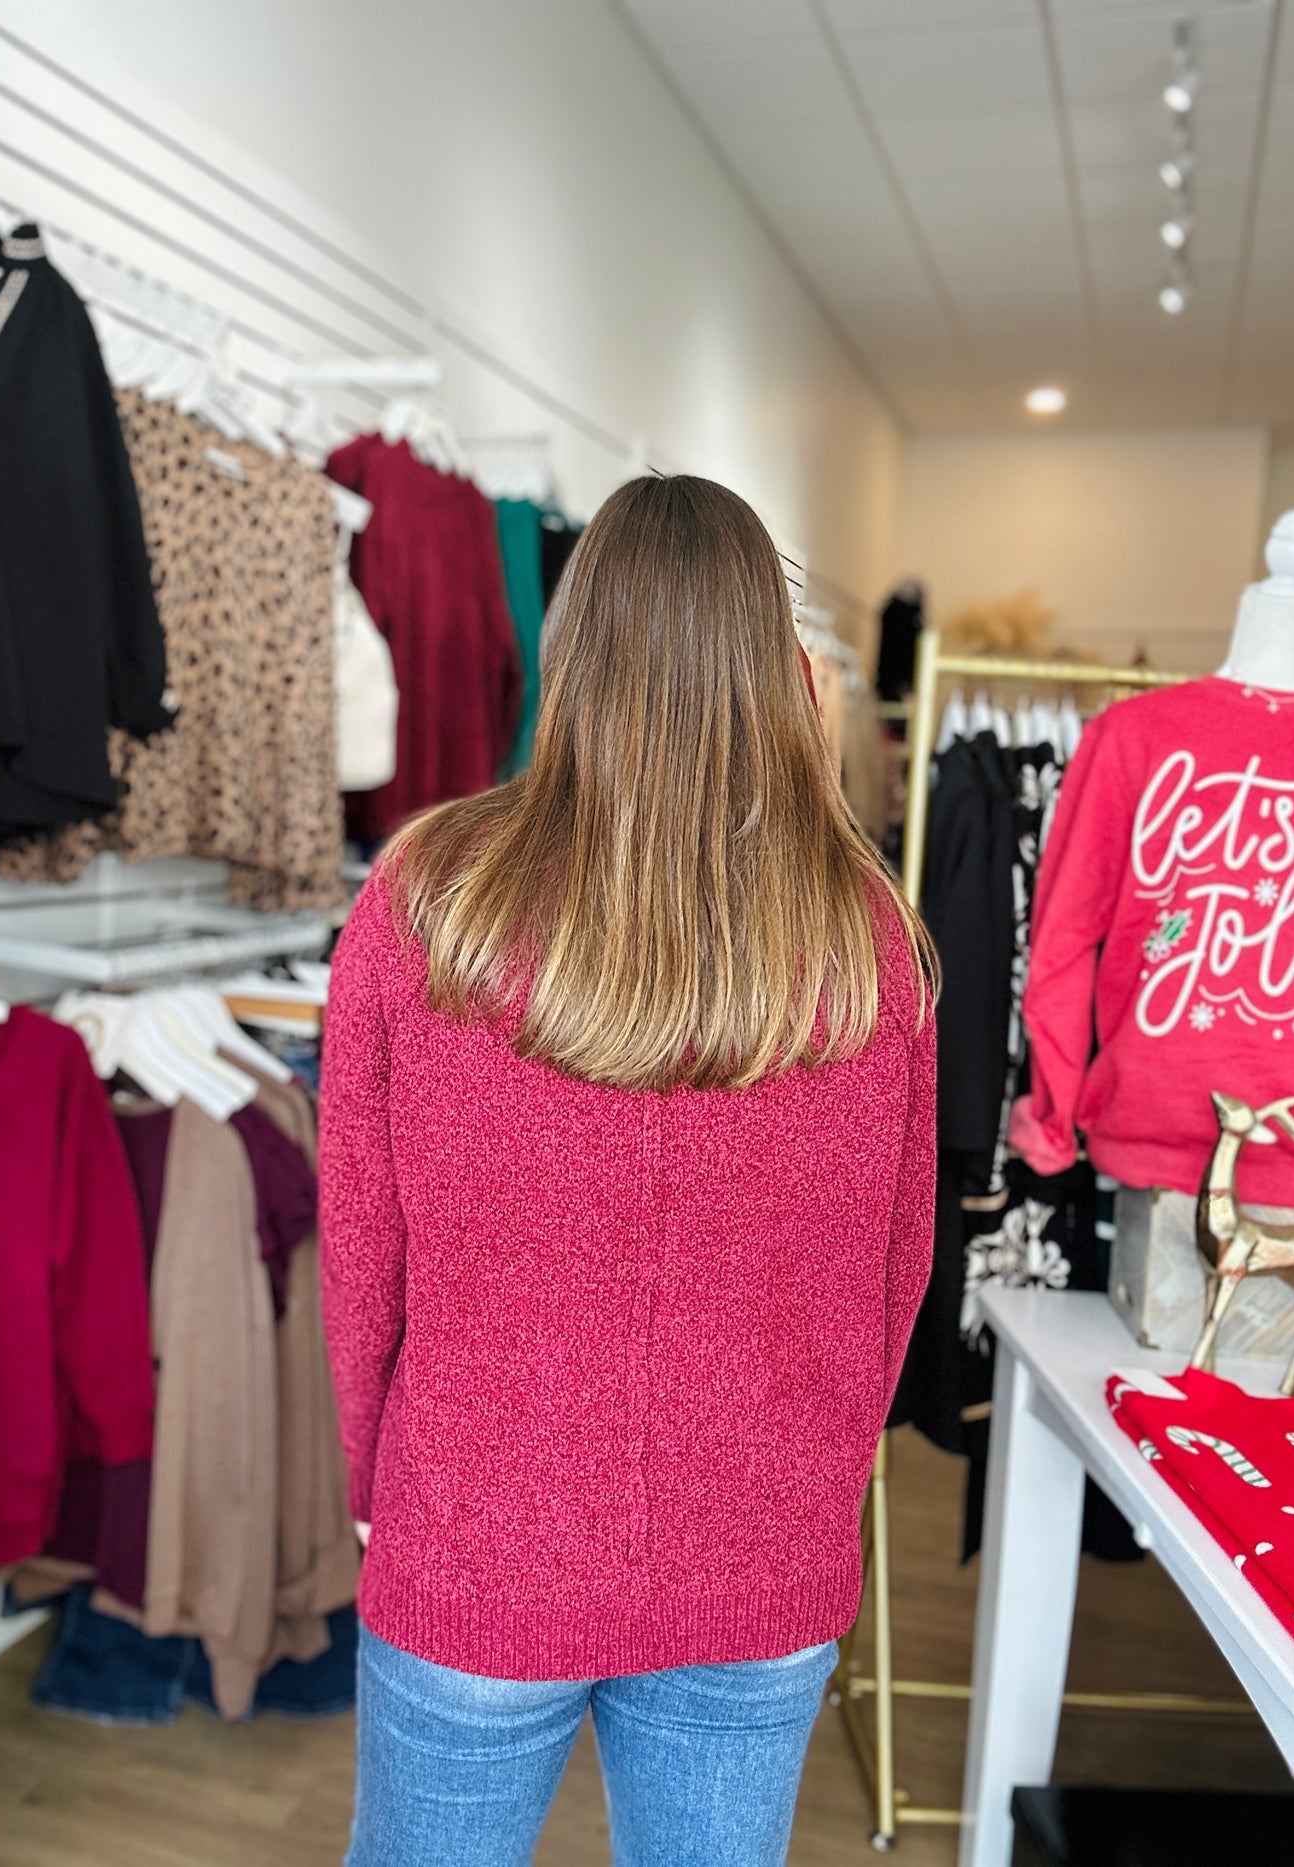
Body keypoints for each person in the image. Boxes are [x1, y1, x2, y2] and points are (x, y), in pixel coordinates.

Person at [319, 473, 937, 1867]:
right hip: (762, 1551)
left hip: (474, 1532)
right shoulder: (864, 934)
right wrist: (817, 1488)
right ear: (777, 667)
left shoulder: (433, 894)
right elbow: (897, 1274)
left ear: (572, 644)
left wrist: (380, 1485)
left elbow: (364, 1250)